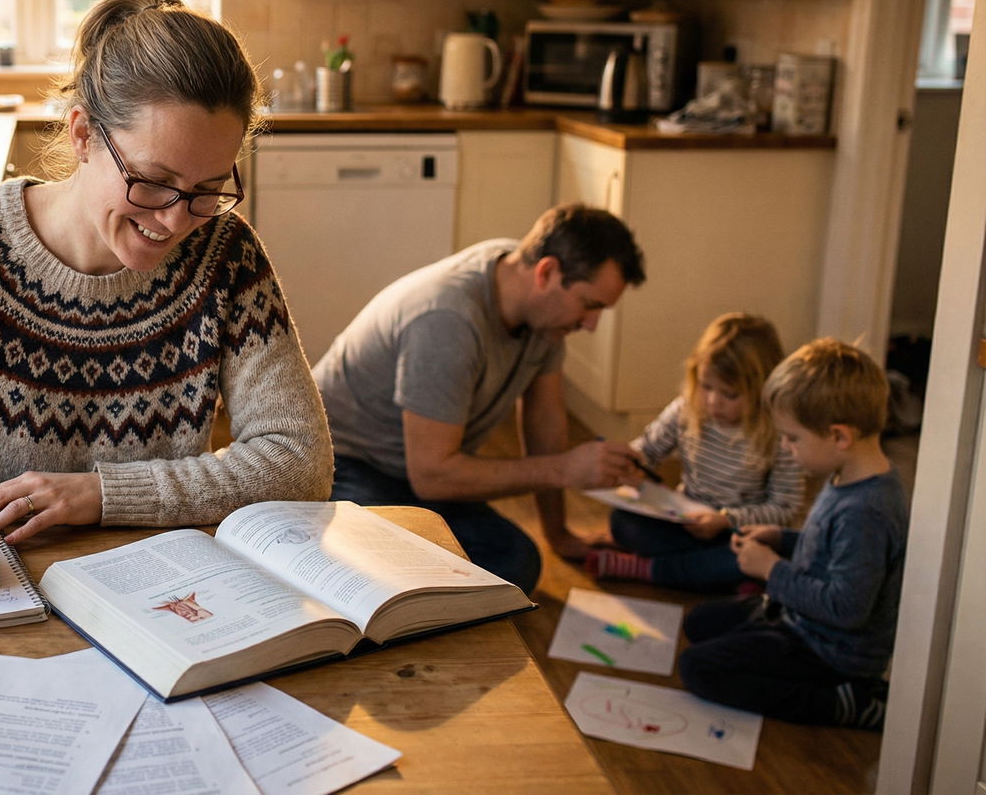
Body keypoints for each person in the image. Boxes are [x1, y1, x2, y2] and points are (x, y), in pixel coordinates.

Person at [0, 0, 332, 588]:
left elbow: (300, 460)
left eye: (206, 189)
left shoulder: (228, 257)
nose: (174, 219)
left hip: (166, 594)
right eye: (152, 181)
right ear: (84, 135)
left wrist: (100, 495)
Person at [312, 203, 647, 594]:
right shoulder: (448, 320)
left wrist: (559, 534)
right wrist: (566, 469)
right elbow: (434, 476)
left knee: (516, 561)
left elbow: (545, 424)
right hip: (340, 464)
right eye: (590, 305)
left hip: (413, 471)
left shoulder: (533, 296)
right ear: (547, 272)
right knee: (380, 577)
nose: (591, 324)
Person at [679, 339, 905, 729]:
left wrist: (772, 571)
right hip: (799, 618)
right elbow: (832, 554)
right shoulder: (849, 476)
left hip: (828, 651)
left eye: (793, 437)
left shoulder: (866, 510)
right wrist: (782, 540)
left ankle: (844, 702)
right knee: (700, 622)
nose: (785, 446)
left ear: (839, 436)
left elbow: (847, 609)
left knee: (698, 669)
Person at [585, 313, 805, 591]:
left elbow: (785, 508)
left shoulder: (778, 432)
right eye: (706, 386)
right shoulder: (687, 409)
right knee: (623, 523)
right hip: (686, 522)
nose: (714, 402)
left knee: (758, 554)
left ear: (762, 389)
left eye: (730, 394)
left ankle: (648, 569)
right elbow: (648, 449)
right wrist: (632, 463)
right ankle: (721, 576)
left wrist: (726, 519)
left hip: (737, 533)